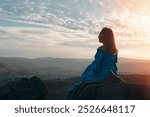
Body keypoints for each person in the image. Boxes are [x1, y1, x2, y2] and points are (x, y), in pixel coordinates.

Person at [68, 27, 118, 92]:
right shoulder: (114, 50)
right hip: (112, 73)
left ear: (105, 36)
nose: (98, 36)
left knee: (79, 86)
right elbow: (114, 65)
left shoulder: (101, 49)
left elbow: (96, 67)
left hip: (103, 73)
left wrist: (89, 73)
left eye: (100, 34)